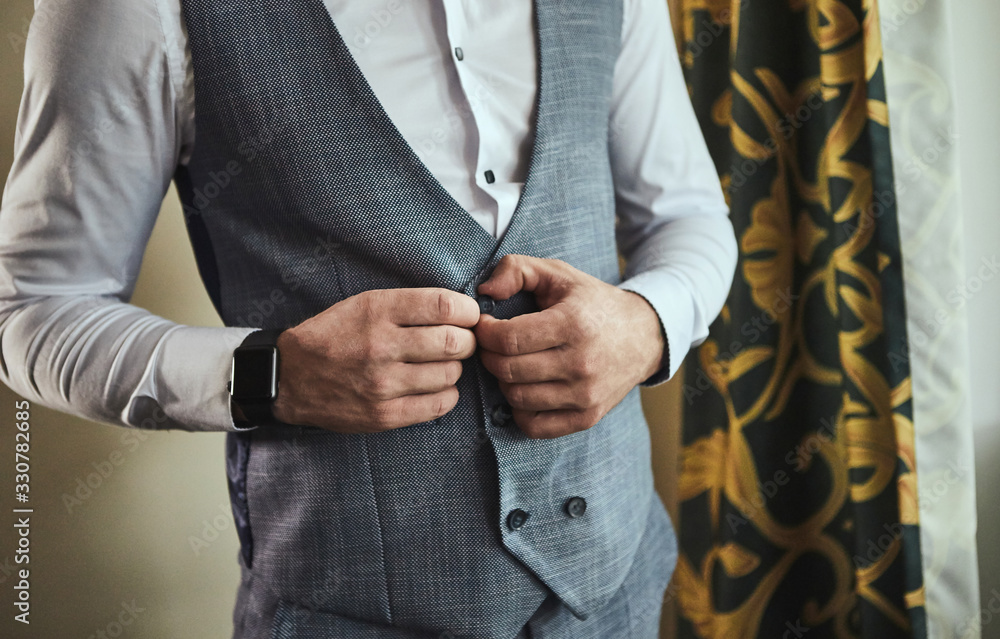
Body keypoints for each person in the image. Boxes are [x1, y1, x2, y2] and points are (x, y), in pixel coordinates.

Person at [0, 0, 736, 637]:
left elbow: (688, 215)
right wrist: (273, 376)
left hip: (618, 590)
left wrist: (646, 324)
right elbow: (31, 309)